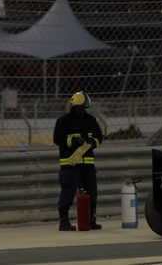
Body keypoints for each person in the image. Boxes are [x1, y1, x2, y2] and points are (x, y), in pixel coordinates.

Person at [53, 91, 104, 231]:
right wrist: (75, 141)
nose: (83, 111)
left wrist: (92, 143)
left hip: (87, 164)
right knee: (68, 192)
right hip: (70, 164)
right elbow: (57, 139)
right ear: (74, 107)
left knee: (91, 193)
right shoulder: (63, 121)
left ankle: (91, 220)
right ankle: (64, 222)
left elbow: (99, 137)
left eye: (84, 109)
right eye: (80, 108)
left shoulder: (91, 121)